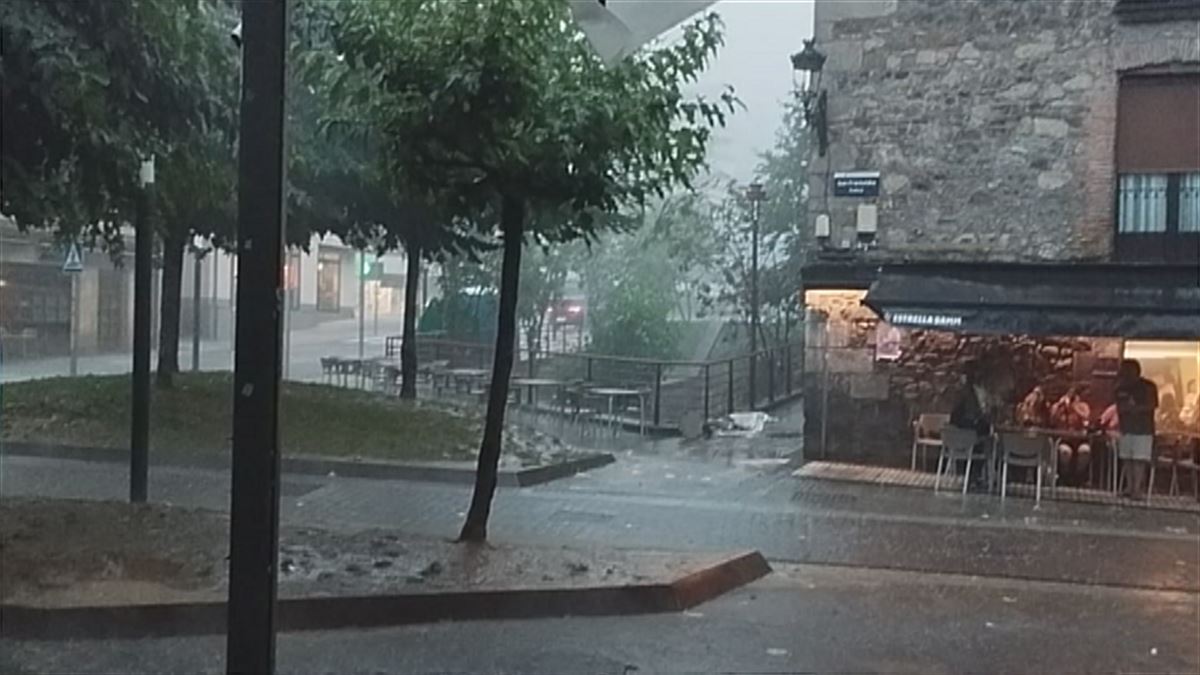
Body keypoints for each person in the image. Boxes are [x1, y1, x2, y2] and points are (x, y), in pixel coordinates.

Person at [1116, 359, 1158, 499]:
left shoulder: (1148, 387)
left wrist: (1136, 409)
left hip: (1143, 430)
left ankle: (1137, 489)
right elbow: (1119, 406)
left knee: (1139, 459)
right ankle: (1129, 487)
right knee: (1127, 458)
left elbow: (1152, 405)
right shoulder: (1121, 387)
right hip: (1126, 428)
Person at [949, 360, 992, 490]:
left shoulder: (960, 393)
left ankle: (975, 476)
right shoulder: (970, 395)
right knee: (983, 444)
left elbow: (954, 416)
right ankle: (976, 476)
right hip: (969, 437)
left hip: (957, 439)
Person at [1051, 385, 1092, 486]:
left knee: (1085, 451)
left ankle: (1079, 476)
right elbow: (1052, 419)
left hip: (1080, 440)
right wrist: (1060, 406)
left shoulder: (1083, 406)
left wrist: (1074, 407)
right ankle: (1064, 476)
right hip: (1064, 440)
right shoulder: (1060, 407)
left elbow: (1086, 417)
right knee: (1065, 452)